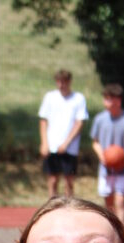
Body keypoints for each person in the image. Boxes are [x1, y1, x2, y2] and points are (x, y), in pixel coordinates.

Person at [90, 83, 124, 224]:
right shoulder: (99, 119)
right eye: (105, 99)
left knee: (120, 201)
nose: (106, 102)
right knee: (109, 204)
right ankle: (112, 231)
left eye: (109, 99)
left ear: (118, 101)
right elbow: (95, 142)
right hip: (106, 167)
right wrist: (101, 155)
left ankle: (122, 234)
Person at [38, 70, 89, 198]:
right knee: (53, 180)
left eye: (64, 82)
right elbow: (43, 120)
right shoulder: (50, 97)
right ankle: (51, 207)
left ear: (69, 82)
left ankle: (69, 208)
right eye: (59, 81)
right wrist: (44, 143)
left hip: (70, 148)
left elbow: (79, 123)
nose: (61, 85)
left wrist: (66, 143)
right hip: (52, 146)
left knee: (69, 182)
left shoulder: (78, 98)